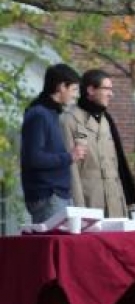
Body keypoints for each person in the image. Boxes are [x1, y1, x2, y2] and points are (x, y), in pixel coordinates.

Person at [60, 70, 135, 219]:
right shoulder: (70, 120)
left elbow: (118, 165)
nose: (111, 94)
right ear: (91, 90)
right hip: (91, 202)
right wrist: (80, 209)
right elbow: (72, 169)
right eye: (107, 89)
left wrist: (126, 201)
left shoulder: (106, 120)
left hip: (116, 202)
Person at [20, 63, 87, 223]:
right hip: (49, 196)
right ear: (61, 87)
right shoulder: (39, 114)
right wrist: (69, 156)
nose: (76, 95)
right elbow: (34, 158)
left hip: (56, 195)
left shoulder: (51, 113)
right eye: (74, 90)